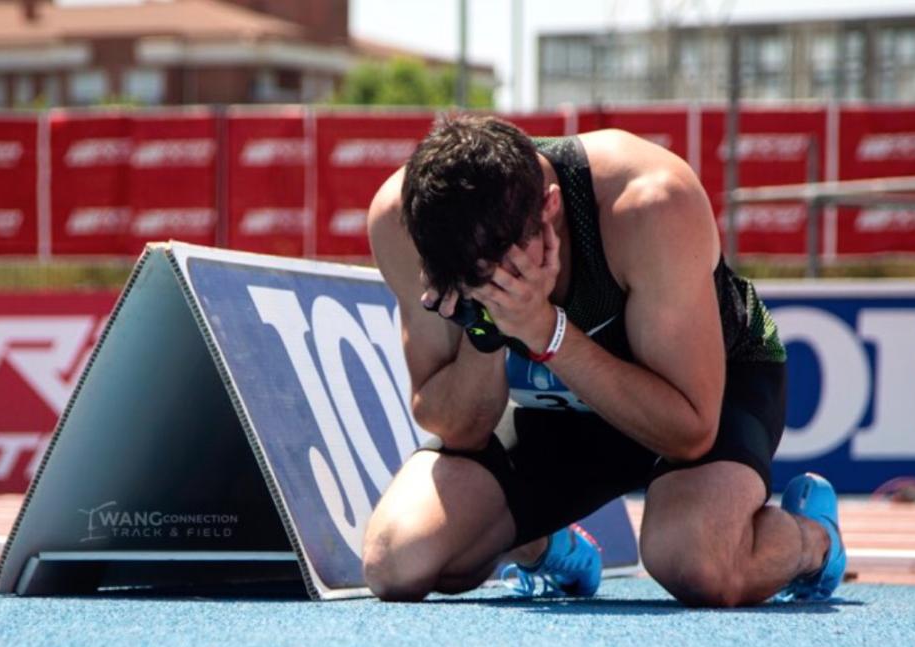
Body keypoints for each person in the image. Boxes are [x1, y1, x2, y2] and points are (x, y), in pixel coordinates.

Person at [360, 114, 846, 607]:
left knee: (697, 562)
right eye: (471, 284)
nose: (489, 290)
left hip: (700, 393)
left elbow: (690, 431)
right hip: (553, 408)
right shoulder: (404, 221)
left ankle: (814, 541)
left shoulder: (650, 203)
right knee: (397, 562)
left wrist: (545, 332)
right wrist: (485, 332)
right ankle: (546, 545)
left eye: (501, 275)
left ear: (549, 209)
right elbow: (455, 424)